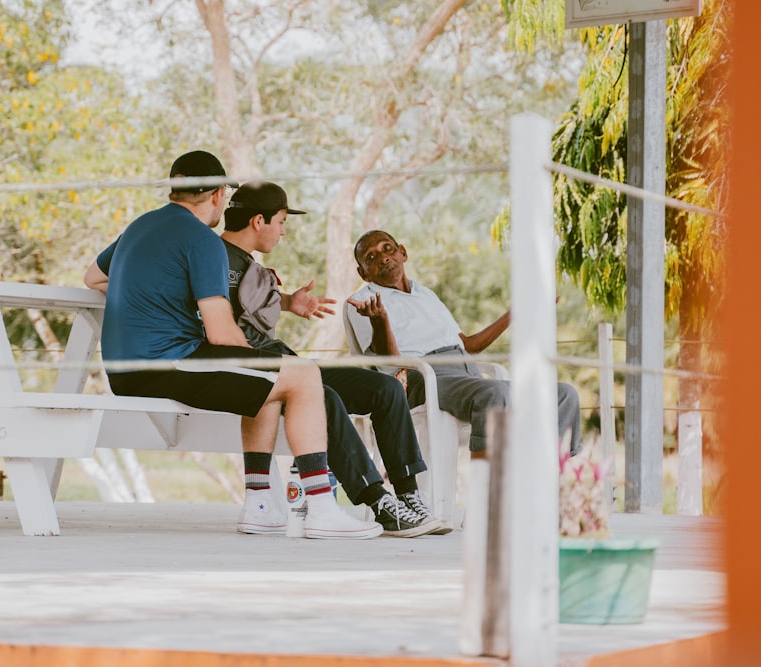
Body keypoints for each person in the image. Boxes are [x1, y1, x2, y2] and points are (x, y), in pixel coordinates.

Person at [83, 150, 381, 540]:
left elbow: (93, 278)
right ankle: (322, 508)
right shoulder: (201, 240)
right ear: (219, 195)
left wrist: (154, 300)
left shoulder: (138, 227)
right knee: (302, 375)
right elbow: (222, 336)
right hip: (168, 365)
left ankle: (260, 505)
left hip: (126, 370)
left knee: (267, 384)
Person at [219, 181, 446, 537]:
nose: (283, 231)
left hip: (285, 361)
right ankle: (378, 501)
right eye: (280, 221)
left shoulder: (244, 261)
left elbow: (240, 301)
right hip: (263, 370)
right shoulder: (211, 256)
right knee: (324, 397)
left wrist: (288, 301)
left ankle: (409, 495)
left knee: (384, 388)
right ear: (258, 221)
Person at [346, 229, 582, 459]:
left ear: (403, 253)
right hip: (420, 379)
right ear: (363, 273)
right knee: (494, 393)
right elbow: (391, 362)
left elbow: (468, 346)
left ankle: (542, 471)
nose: (383, 257)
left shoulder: (425, 294)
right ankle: (490, 487)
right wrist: (380, 321)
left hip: (466, 374)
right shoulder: (362, 302)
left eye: (387, 248)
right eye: (371, 257)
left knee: (564, 394)